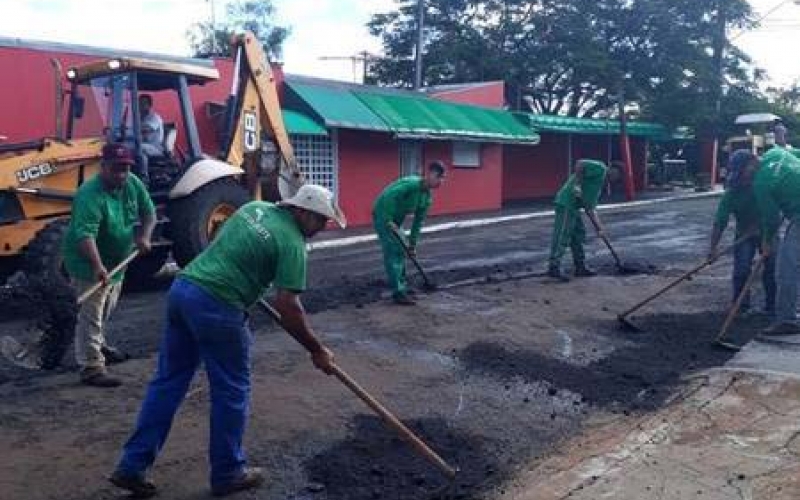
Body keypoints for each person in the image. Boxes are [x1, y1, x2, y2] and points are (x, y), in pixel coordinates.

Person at [110, 184, 346, 498]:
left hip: (183, 291)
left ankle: (132, 465)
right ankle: (228, 472)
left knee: (167, 382)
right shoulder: (292, 243)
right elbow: (288, 306)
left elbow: (229, 246)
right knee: (231, 391)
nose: (322, 227)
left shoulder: (252, 209)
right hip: (218, 307)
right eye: (320, 220)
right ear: (302, 211)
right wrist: (316, 350)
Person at [62, 143, 155, 387]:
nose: (122, 175)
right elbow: (85, 236)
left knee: (106, 307)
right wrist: (97, 266)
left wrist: (144, 236)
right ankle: (91, 366)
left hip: (117, 260)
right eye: (117, 169)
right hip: (87, 261)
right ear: (103, 167)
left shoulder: (132, 183)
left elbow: (149, 213)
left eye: (125, 169)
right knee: (91, 313)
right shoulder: (88, 194)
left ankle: (98, 345)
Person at [708, 150, 776, 315]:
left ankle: (772, 306)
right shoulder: (732, 192)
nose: (743, 176)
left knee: (772, 267)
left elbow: (775, 212)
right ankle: (740, 306)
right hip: (744, 234)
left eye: (744, 170)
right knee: (742, 269)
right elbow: (720, 222)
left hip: (768, 230)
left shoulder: (764, 182)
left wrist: (763, 232)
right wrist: (713, 248)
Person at [372, 161, 446, 305]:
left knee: (402, 248)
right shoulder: (411, 184)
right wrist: (388, 218)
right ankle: (398, 292)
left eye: (443, 178)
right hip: (383, 215)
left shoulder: (427, 198)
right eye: (439, 177)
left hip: (395, 221)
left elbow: (417, 223)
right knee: (394, 250)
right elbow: (389, 195)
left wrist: (412, 245)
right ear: (430, 174)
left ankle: (402, 286)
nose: (441, 181)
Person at [755, 147, 800, 335]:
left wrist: (766, 242)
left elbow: (771, 219)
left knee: (786, 269)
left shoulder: (761, 182)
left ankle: (787, 320)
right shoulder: (777, 153)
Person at [547, 159, 609, 281]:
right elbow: (580, 163)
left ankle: (580, 266)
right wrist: (577, 185)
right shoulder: (600, 168)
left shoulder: (597, 189)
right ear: (612, 170)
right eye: (617, 174)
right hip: (566, 203)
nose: (615, 178)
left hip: (574, 207)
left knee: (578, 235)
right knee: (562, 235)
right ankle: (554, 266)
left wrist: (599, 229)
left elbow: (590, 210)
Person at [135, 94, 164, 183]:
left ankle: (144, 179)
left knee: (139, 147)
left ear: (149, 105)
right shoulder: (139, 118)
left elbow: (146, 129)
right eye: (139, 103)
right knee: (138, 150)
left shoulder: (154, 117)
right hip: (145, 146)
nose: (140, 106)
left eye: (143, 103)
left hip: (155, 147)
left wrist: (130, 128)